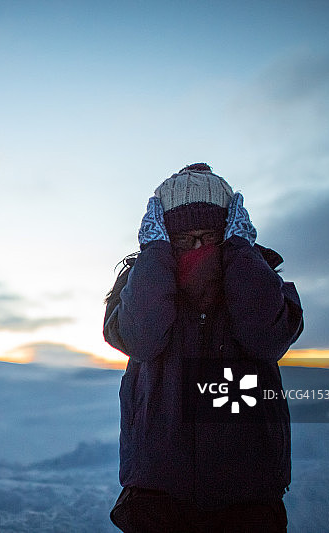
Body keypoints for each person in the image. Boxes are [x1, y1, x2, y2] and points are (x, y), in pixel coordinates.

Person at [104, 163, 304, 532]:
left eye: (209, 236)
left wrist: (242, 254)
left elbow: (266, 336)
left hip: (247, 491)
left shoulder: (259, 279)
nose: (196, 248)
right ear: (162, 237)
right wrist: (153, 255)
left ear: (229, 233)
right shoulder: (138, 284)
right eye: (181, 240)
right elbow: (142, 339)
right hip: (156, 490)